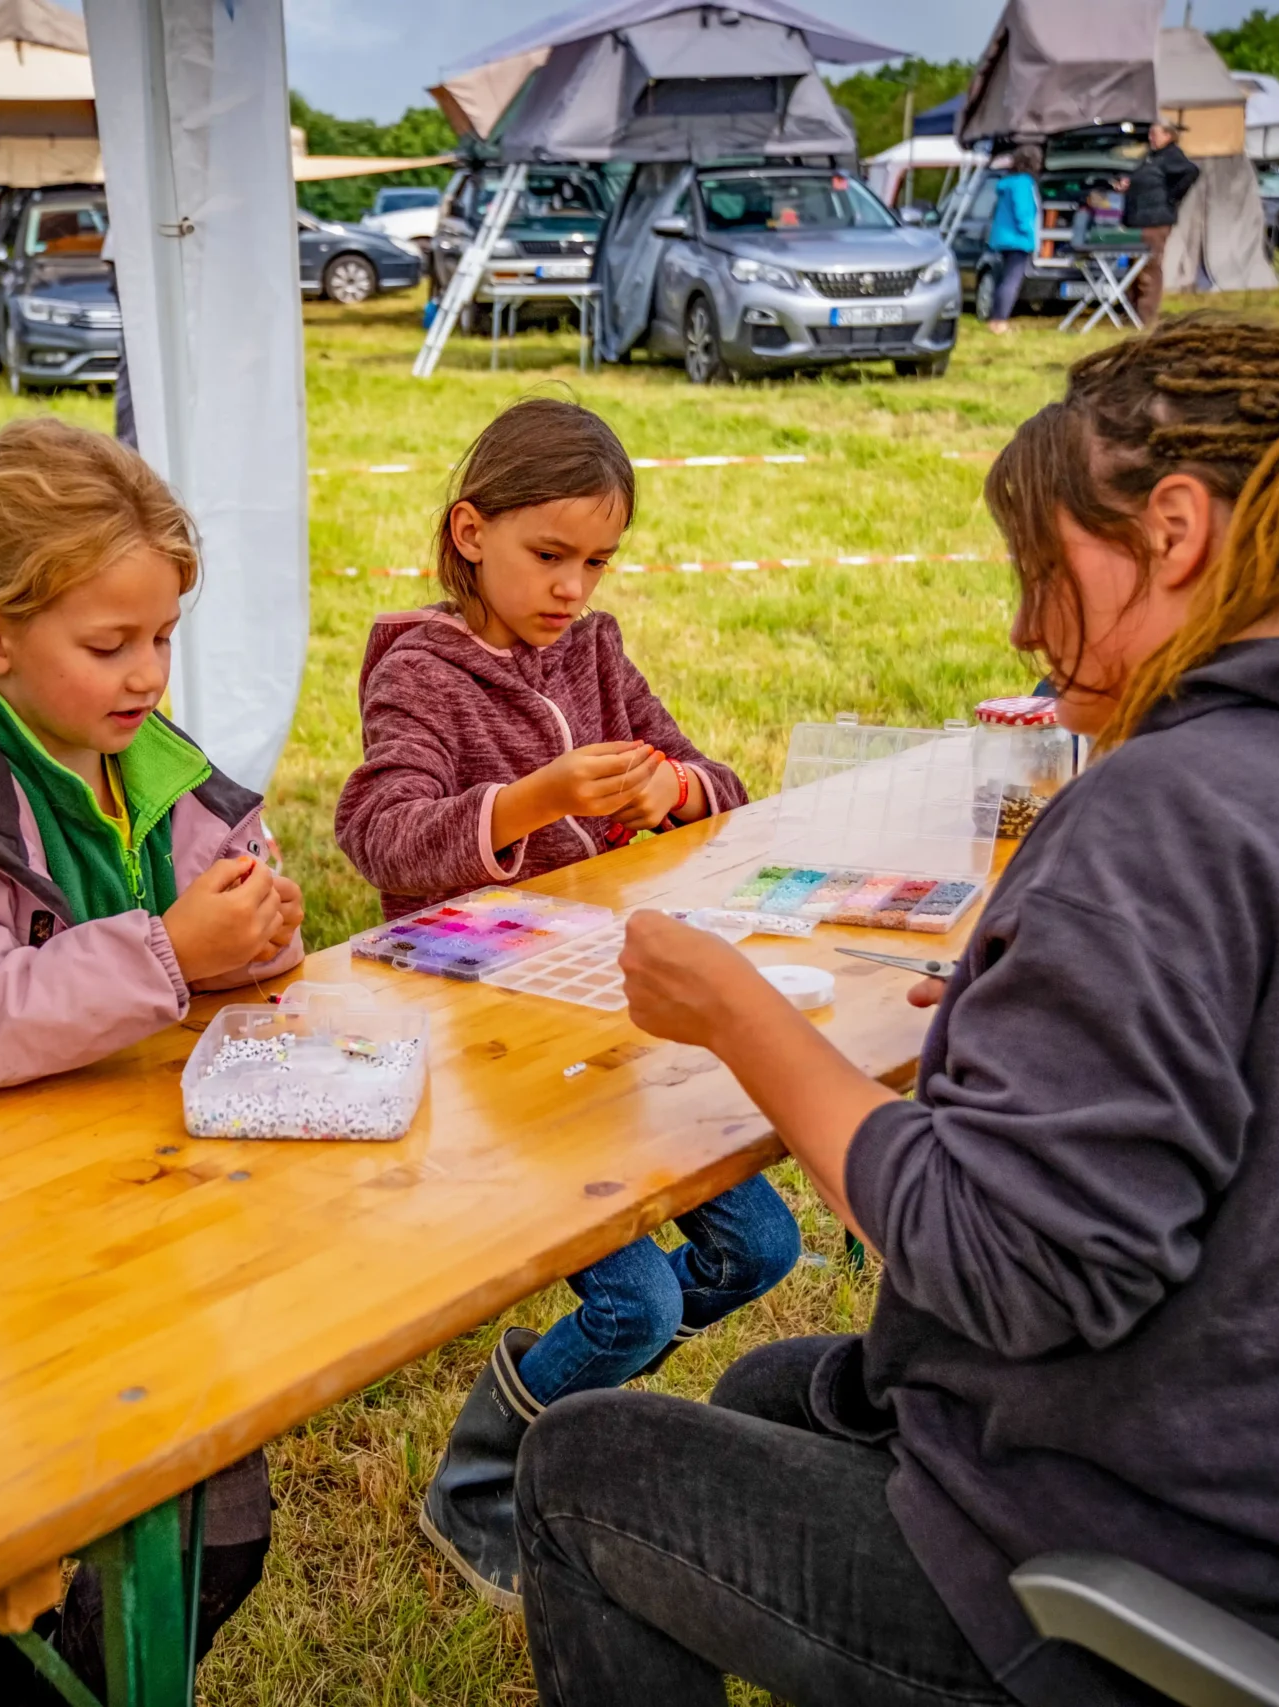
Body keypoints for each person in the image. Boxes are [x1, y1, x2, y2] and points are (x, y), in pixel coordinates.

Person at [510, 318, 1279, 1707]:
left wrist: (739, 1015)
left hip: (1231, 1606)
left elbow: (1008, 1263)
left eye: (1043, 572)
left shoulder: (1164, 809)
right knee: (777, 1393)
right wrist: (1023, 1010)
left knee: (588, 1469)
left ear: (1175, 529)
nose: (1028, 627)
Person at [0, 412, 303, 1704]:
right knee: (18, 1579)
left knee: (221, 1529)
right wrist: (171, 947)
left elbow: (238, 916)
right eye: (110, 644)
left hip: (161, 1231)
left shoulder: (160, 772)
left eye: (163, 636)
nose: (148, 673)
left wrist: (260, 931)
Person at [331, 397, 795, 1610]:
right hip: (491, 1040)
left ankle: (576, 1407)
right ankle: (479, 1487)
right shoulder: (422, 673)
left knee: (764, 1246)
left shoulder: (595, 653)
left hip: (613, 1020)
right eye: (551, 556)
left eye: (598, 562)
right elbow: (378, 832)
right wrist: (530, 802)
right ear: (468, 531)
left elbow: (715, 780)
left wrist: (680, 787)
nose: (575, 588)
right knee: (636, 1293)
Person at [1120, 119, 1201, 324]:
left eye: (1154, 134)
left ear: (1168, 135)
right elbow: (1148, 178)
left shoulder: (1172, 155)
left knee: (1149, 266)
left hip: (1155, 220)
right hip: (1138, 218)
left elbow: (1191, 171)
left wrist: (1171, 196)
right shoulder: (1152, 157)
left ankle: (1146, 315)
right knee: (1135, 266)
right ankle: (1132, 313)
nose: (1150, 138)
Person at [983, 142, 1042, 334]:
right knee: (1011, 281)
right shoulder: (1023, 183)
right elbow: (1023, 211)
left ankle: (995, 318)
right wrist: (1029, 233)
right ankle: (999, 322)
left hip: (1002, 238)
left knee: (1003, 279)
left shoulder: (1007, 183)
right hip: (1018, 239)